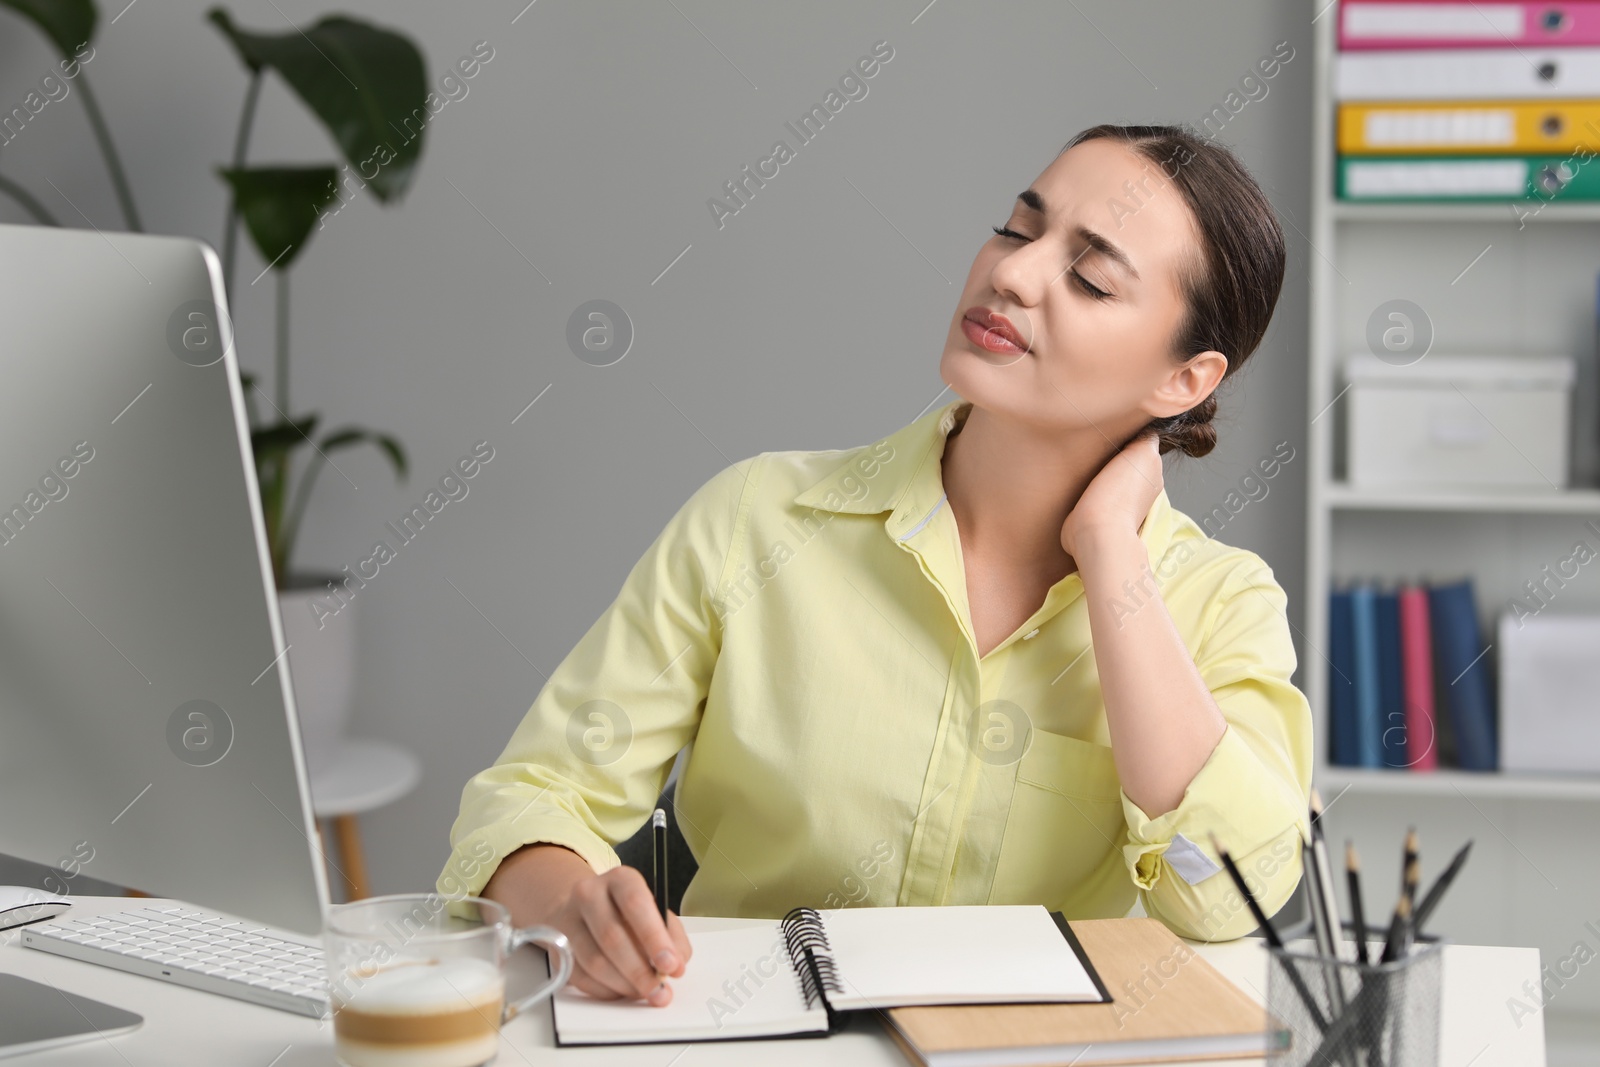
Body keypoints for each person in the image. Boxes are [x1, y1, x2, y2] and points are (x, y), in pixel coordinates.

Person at [438, 122, 1312, 1007]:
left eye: (1089, 277)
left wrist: (1114, 555)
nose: (1011, 273)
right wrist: (570, 904)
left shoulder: (1219, 602)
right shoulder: (757, 519)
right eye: (1016, 229)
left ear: (1184, 380)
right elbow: (534, 793)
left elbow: (1234, 897)